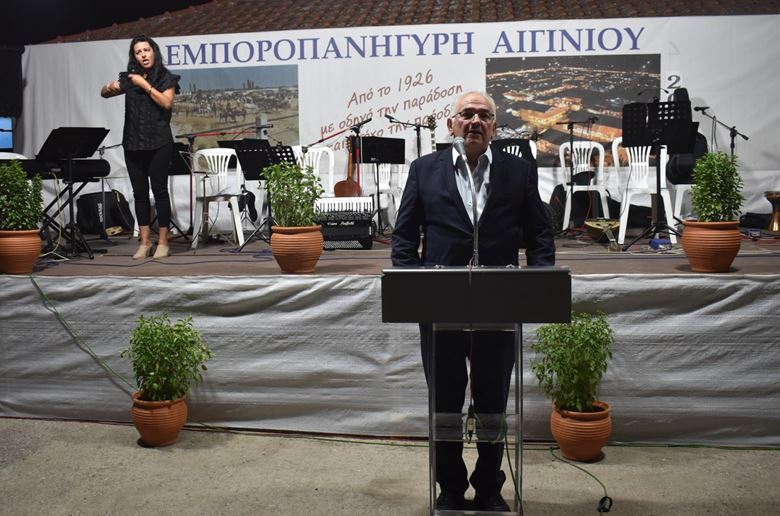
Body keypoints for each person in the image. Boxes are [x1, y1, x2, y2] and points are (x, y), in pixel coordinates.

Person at [391, 91, 555, 512]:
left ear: (495, 127)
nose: (475, 121)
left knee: (493, 405)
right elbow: (404, 236)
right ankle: (449, 488)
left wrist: (538, 283)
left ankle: (488, 488)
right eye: (466, 114)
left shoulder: (519, 171)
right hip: (439, 305)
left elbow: (539, 233)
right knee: (444, 404)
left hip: (500, 306)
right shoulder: (424, 170)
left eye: (484, 115)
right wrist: (413, 288)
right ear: (452, 124)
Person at [100, 35, 180, 259]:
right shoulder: (130, 78)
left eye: (146, 50)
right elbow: (104, 93)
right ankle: (145, 242)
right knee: (140, 194)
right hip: (133, 143)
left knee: (160, 192)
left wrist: (143, 84)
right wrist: (109, 87)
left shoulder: (166, 77)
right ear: (134, 56)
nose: (143, 55)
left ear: (154, 51)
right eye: (138, 52)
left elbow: (166, 103)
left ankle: (163, 241)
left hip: (159, 143)